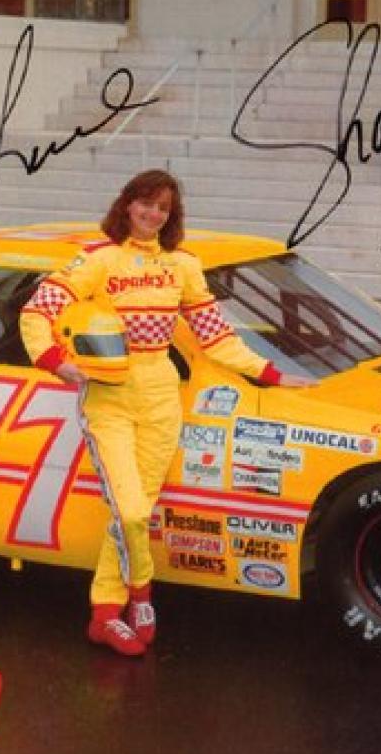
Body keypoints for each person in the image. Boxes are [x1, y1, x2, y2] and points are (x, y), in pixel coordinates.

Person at [20, 169, 311, 656]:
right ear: (127, 204)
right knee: (131, 512)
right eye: (146, 203)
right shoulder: (99, 258)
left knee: (134, 513)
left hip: (161, 393)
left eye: (163, 208)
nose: (153, 214)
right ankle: (141, 595)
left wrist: (273, 373)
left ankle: (104, 614)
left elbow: (216, 337)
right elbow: (36, 311)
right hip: (109, 396)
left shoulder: (183, 265)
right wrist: (54, 362)